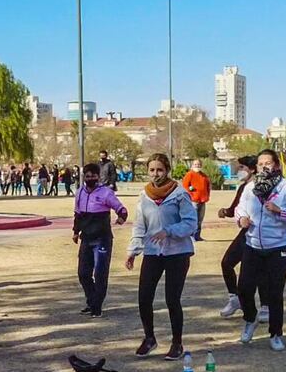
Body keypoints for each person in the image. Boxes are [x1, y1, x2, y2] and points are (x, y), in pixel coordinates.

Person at [125, 153, 197, 359]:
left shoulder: (180, 194)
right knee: (144, 297)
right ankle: (149, 338)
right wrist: (133, 251)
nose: (155, 174)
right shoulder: (144, 195)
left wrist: (170, 230)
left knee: (172, 299)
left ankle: (177, 343)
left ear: (167, 171)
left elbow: (191, 223)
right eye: (152, 170)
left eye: (160, 170)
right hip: (152, 252)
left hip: (177, 252)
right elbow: (140, 225)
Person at [235, 149, 286, 351]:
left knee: (275, 292)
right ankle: (250, 318)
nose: (264, 167)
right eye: (260, 164)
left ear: (276, 165)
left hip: (279, 246)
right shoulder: (250, 188)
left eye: (268, 163)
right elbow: (241, 209)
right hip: (253, 245)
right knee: (244, 288)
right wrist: (241, 219)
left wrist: (279, 211)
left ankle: (275, 333)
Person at [218, 156, 269, 322]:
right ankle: (235, 299)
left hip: (263, 233)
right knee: (227, 262)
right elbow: (235, 210)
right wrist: (225, 211)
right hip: (246, 232)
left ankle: (265, 307)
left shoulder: (265, 186)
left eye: (242, 167)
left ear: (252, 169)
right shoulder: (243, 188)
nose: (239, 171)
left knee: (261, 271)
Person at [74, 163, 129, 318]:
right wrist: (75, 232)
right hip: (86, 239)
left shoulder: (105, 193)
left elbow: (121, 208)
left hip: (102, 239)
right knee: (83, 274)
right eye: (87, 175)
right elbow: (77, 214)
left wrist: (121, 217)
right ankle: (91, 301)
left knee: (100, 274)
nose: (90, 178)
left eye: (93, 175)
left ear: (98, 176)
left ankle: (96, 307)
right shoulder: (80, 193)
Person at [182, 158, 212, 241]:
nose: (197, 166)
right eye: (195, 164)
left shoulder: (204, 176)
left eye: (198, 164)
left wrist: (207, 196)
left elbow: (208, 187)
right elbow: (185, 186)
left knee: (200, 220)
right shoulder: (189, 174)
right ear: (192, 165)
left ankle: (198, 236)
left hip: (203, 200)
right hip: (193, 201)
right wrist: (191, 195)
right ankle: (191, 237)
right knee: (193, 219)